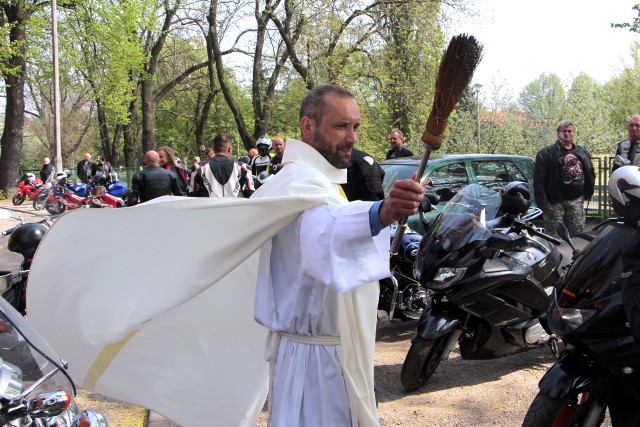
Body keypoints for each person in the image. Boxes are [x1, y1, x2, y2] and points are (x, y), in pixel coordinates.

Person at [251, 84, 424, 426]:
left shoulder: (307, 180)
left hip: (312, 353)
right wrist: (382, 212)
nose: (352, 137)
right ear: (308, 126)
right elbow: (323, 230)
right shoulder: (302, 182)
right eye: (341, 126)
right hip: (316, 365)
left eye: (356, 126)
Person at [533, 121, 595, 237]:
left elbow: (590, 173)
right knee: (554, 235)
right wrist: (543, 202)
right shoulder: (545, 153)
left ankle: (576, 255)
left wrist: (588, 192)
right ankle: (557, 255)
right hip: (554, 203)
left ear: (573, 133)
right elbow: (538, 181)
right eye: (563, 131)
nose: (567, 134)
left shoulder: (582, 152)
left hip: (576, 200)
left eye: (569, 131)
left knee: (578, 234)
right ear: (558, 133)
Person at [191, 134, 254, 198]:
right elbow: (251, 194)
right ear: (229, 149)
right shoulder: (244, 168)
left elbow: (192, 194)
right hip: (235, 207)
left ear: (213, 149)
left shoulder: (198, 167)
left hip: (209, 206)